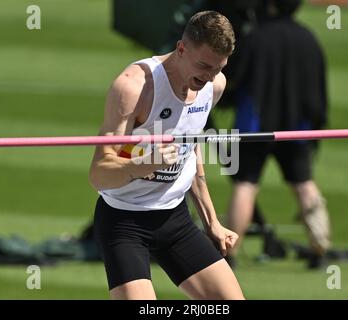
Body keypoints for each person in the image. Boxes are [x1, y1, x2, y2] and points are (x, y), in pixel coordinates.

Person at [89, 11, 245, 300]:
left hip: (175, 219)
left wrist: (211, 222)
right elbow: (99, 173)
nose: (209, 77)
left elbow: (191, 149)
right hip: (125, 221)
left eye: (219, 68)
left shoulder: (214, 85)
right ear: (181, 48)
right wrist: (144, 164)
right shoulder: (134, 87)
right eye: (204, 66)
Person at [225, 0, 332, 269]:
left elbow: (233, 79)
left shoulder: (255, 38)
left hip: (254, 128)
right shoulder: (308, 38)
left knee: (246, 185)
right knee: (305, 184)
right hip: (297, 128)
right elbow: (318, 89)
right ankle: (320, 249)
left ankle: (230, 253)